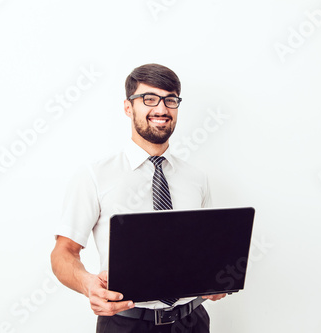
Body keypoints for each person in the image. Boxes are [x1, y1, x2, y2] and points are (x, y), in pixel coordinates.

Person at [50, 63, 226, 333]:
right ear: (128, 107)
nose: (161, 109)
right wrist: (87, 284)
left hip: (193, 322)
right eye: (149, 99)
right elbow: (64, 252)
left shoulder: (196, 178)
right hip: (125, 323)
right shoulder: (95, 175)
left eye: (170, 100)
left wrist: (215, 278)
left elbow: (207, 250)